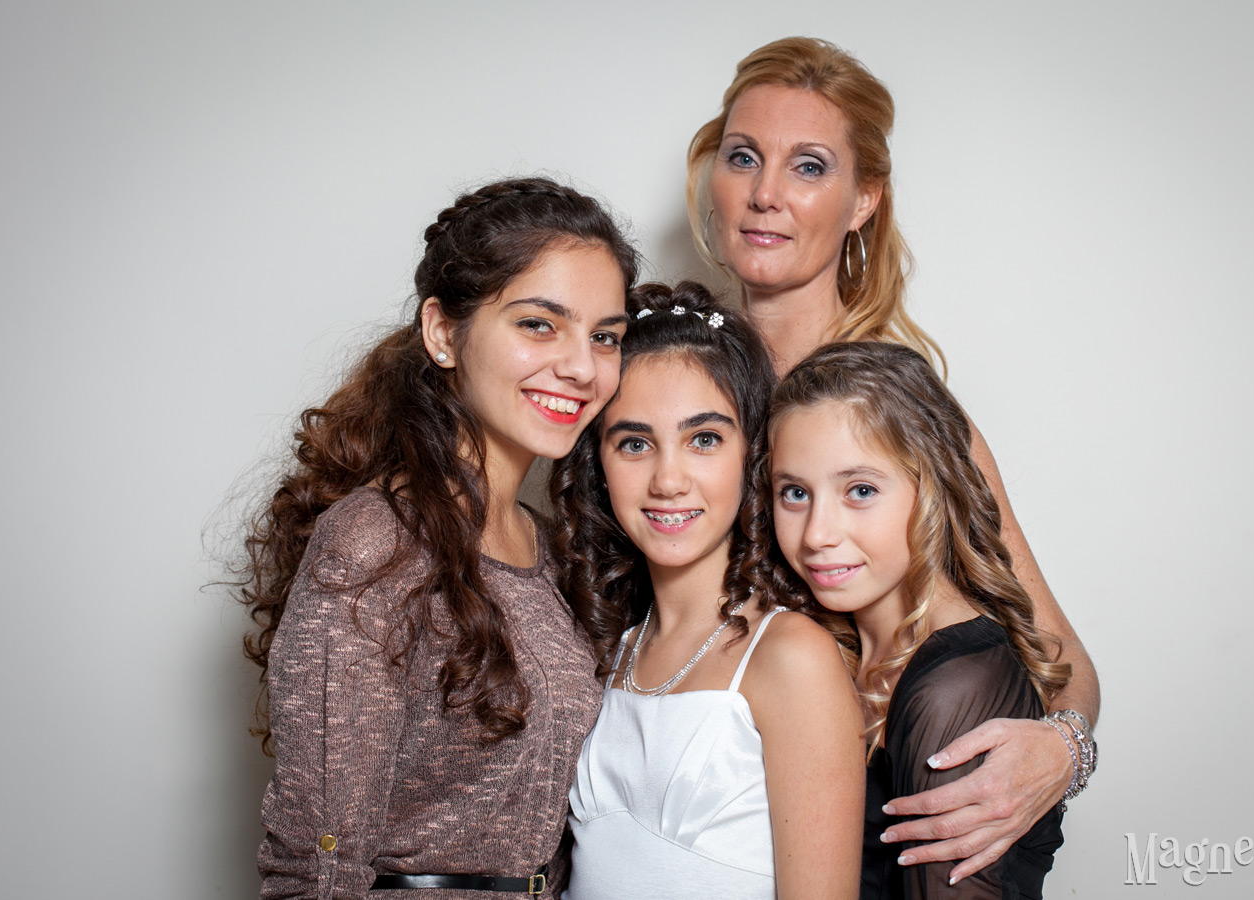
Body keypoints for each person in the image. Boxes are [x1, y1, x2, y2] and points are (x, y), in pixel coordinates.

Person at [686, 36, 1101, 881]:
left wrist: (1063, 752)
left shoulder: (903, 415)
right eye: (743, 157)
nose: (765, 194)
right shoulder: (668, 393)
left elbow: (1064, 659)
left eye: (808, 167)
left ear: (863, 200)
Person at [236, 176, 638, 899]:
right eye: (539, 324)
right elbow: (316, 868)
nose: (582, 366)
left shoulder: (550, 550)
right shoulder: (373, 544)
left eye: (604, 336)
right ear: (443, 333)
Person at [551, 282, 864, 900]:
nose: (668, 480)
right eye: (634, 443)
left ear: (753, 456)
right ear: (598, 465)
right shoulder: (602, 648)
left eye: (704, 439)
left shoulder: (792, 657)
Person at [768, 342, 1078, 898]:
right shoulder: (827, 648)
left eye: (860, 491)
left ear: (930, 489)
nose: (817, 533)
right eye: (794, 493)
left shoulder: (955, 689)